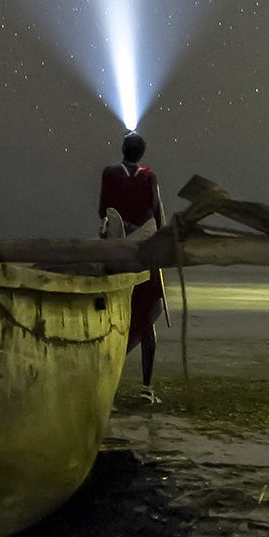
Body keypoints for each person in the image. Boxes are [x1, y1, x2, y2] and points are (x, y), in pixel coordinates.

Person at [99, 131, 165, 400]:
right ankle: (146, 389)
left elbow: (103, 210)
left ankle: (106, 381)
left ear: (123, 149)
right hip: (143, 256)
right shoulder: (149, 177)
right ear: (142, 153)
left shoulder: (109, 173)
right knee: (147, 318)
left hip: (116, 254)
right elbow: (157, 215)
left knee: (113, 316)